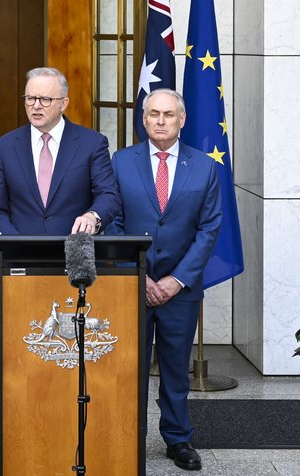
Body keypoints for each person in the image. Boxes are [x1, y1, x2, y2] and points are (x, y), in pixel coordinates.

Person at [105, 88, 221, 471]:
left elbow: (209, 229)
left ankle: (178, 440)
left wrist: (175, 281)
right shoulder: (120, 162)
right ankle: (127, 436)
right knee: (128, 368)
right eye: (153, 113)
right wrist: (140, 277)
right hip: (131, 285)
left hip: (180, 291)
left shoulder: (204, 167)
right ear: (143, 118)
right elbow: (114, 223)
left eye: (168, 114)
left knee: (175, 370)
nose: (160, 120)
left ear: (181, 120)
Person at [0, 66, 120, 237]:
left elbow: (108, 196)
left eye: (45, 99)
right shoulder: (5, 146)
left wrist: (93, 217)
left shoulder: (92, 143)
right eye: (30, 98)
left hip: (75, 252)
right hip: (20, 254)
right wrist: (14, 242)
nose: (36, 106)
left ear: (63, 104)